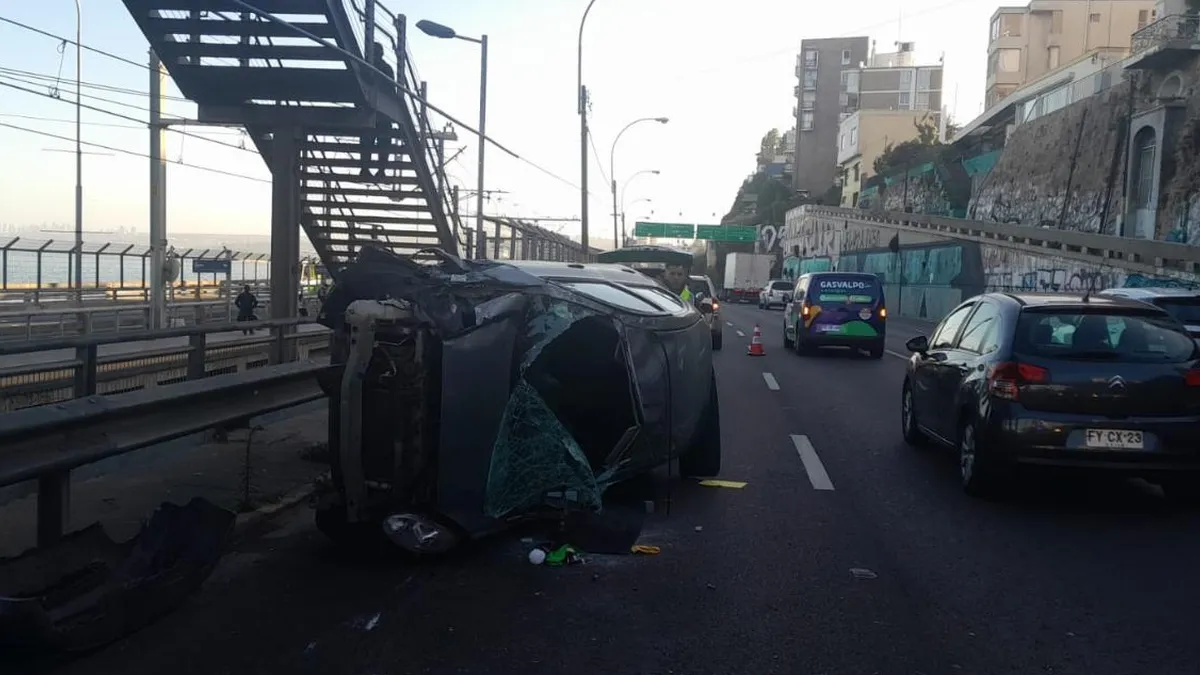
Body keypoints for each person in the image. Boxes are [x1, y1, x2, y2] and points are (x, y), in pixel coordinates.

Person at [360, 42, 396, 179]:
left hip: (372, 111)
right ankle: (379, 170)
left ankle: (366, 169)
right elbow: (391, 89)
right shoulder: (386, 68)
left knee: (368, 141)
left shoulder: (364, 65)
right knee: (383, 142)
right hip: (382, 112)